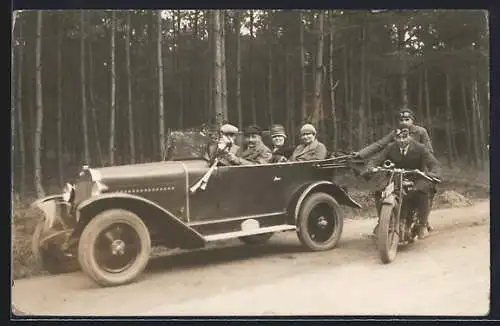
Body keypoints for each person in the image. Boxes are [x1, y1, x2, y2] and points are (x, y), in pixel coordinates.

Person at [355, 107, 436, 231]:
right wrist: (361, 154)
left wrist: (426, 169)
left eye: (407, 119)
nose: (404, 122)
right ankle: (383, 221)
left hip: (416, 169)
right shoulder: (395, 133)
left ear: (412, 120)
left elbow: (429, 151)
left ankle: (423, 221)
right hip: (397, 171)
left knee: (423, 191)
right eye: (401, 119)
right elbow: (380, 144)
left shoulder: (420, 132)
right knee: (380, 190)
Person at [361, 128, 442, 239]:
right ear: (395, 138)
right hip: (396, 176)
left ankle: (422, 224)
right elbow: (376, 159)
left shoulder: (420, 148)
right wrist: (370, 167)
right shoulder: (391, 148)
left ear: (410, 136)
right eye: (399, 137)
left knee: (421, 190)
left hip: (416, 177)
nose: (402, 140)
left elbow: (434, 164)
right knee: (380, 191)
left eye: (405, 137)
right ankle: (383, 221)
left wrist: (434, 173)